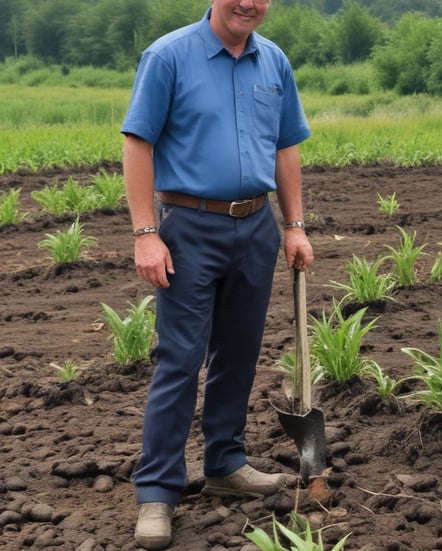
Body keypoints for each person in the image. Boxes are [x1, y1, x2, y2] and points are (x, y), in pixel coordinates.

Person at [121, 1, 314, 548]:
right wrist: (145, 234)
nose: (249, 3)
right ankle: (157, 489)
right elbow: (139, 142)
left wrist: (294, 225)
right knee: (180, 358)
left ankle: (226, 464)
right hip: (188, 226)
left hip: (255, 227)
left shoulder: (273, 61)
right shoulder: (168, 56)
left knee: (239, 352)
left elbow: (285, 145)